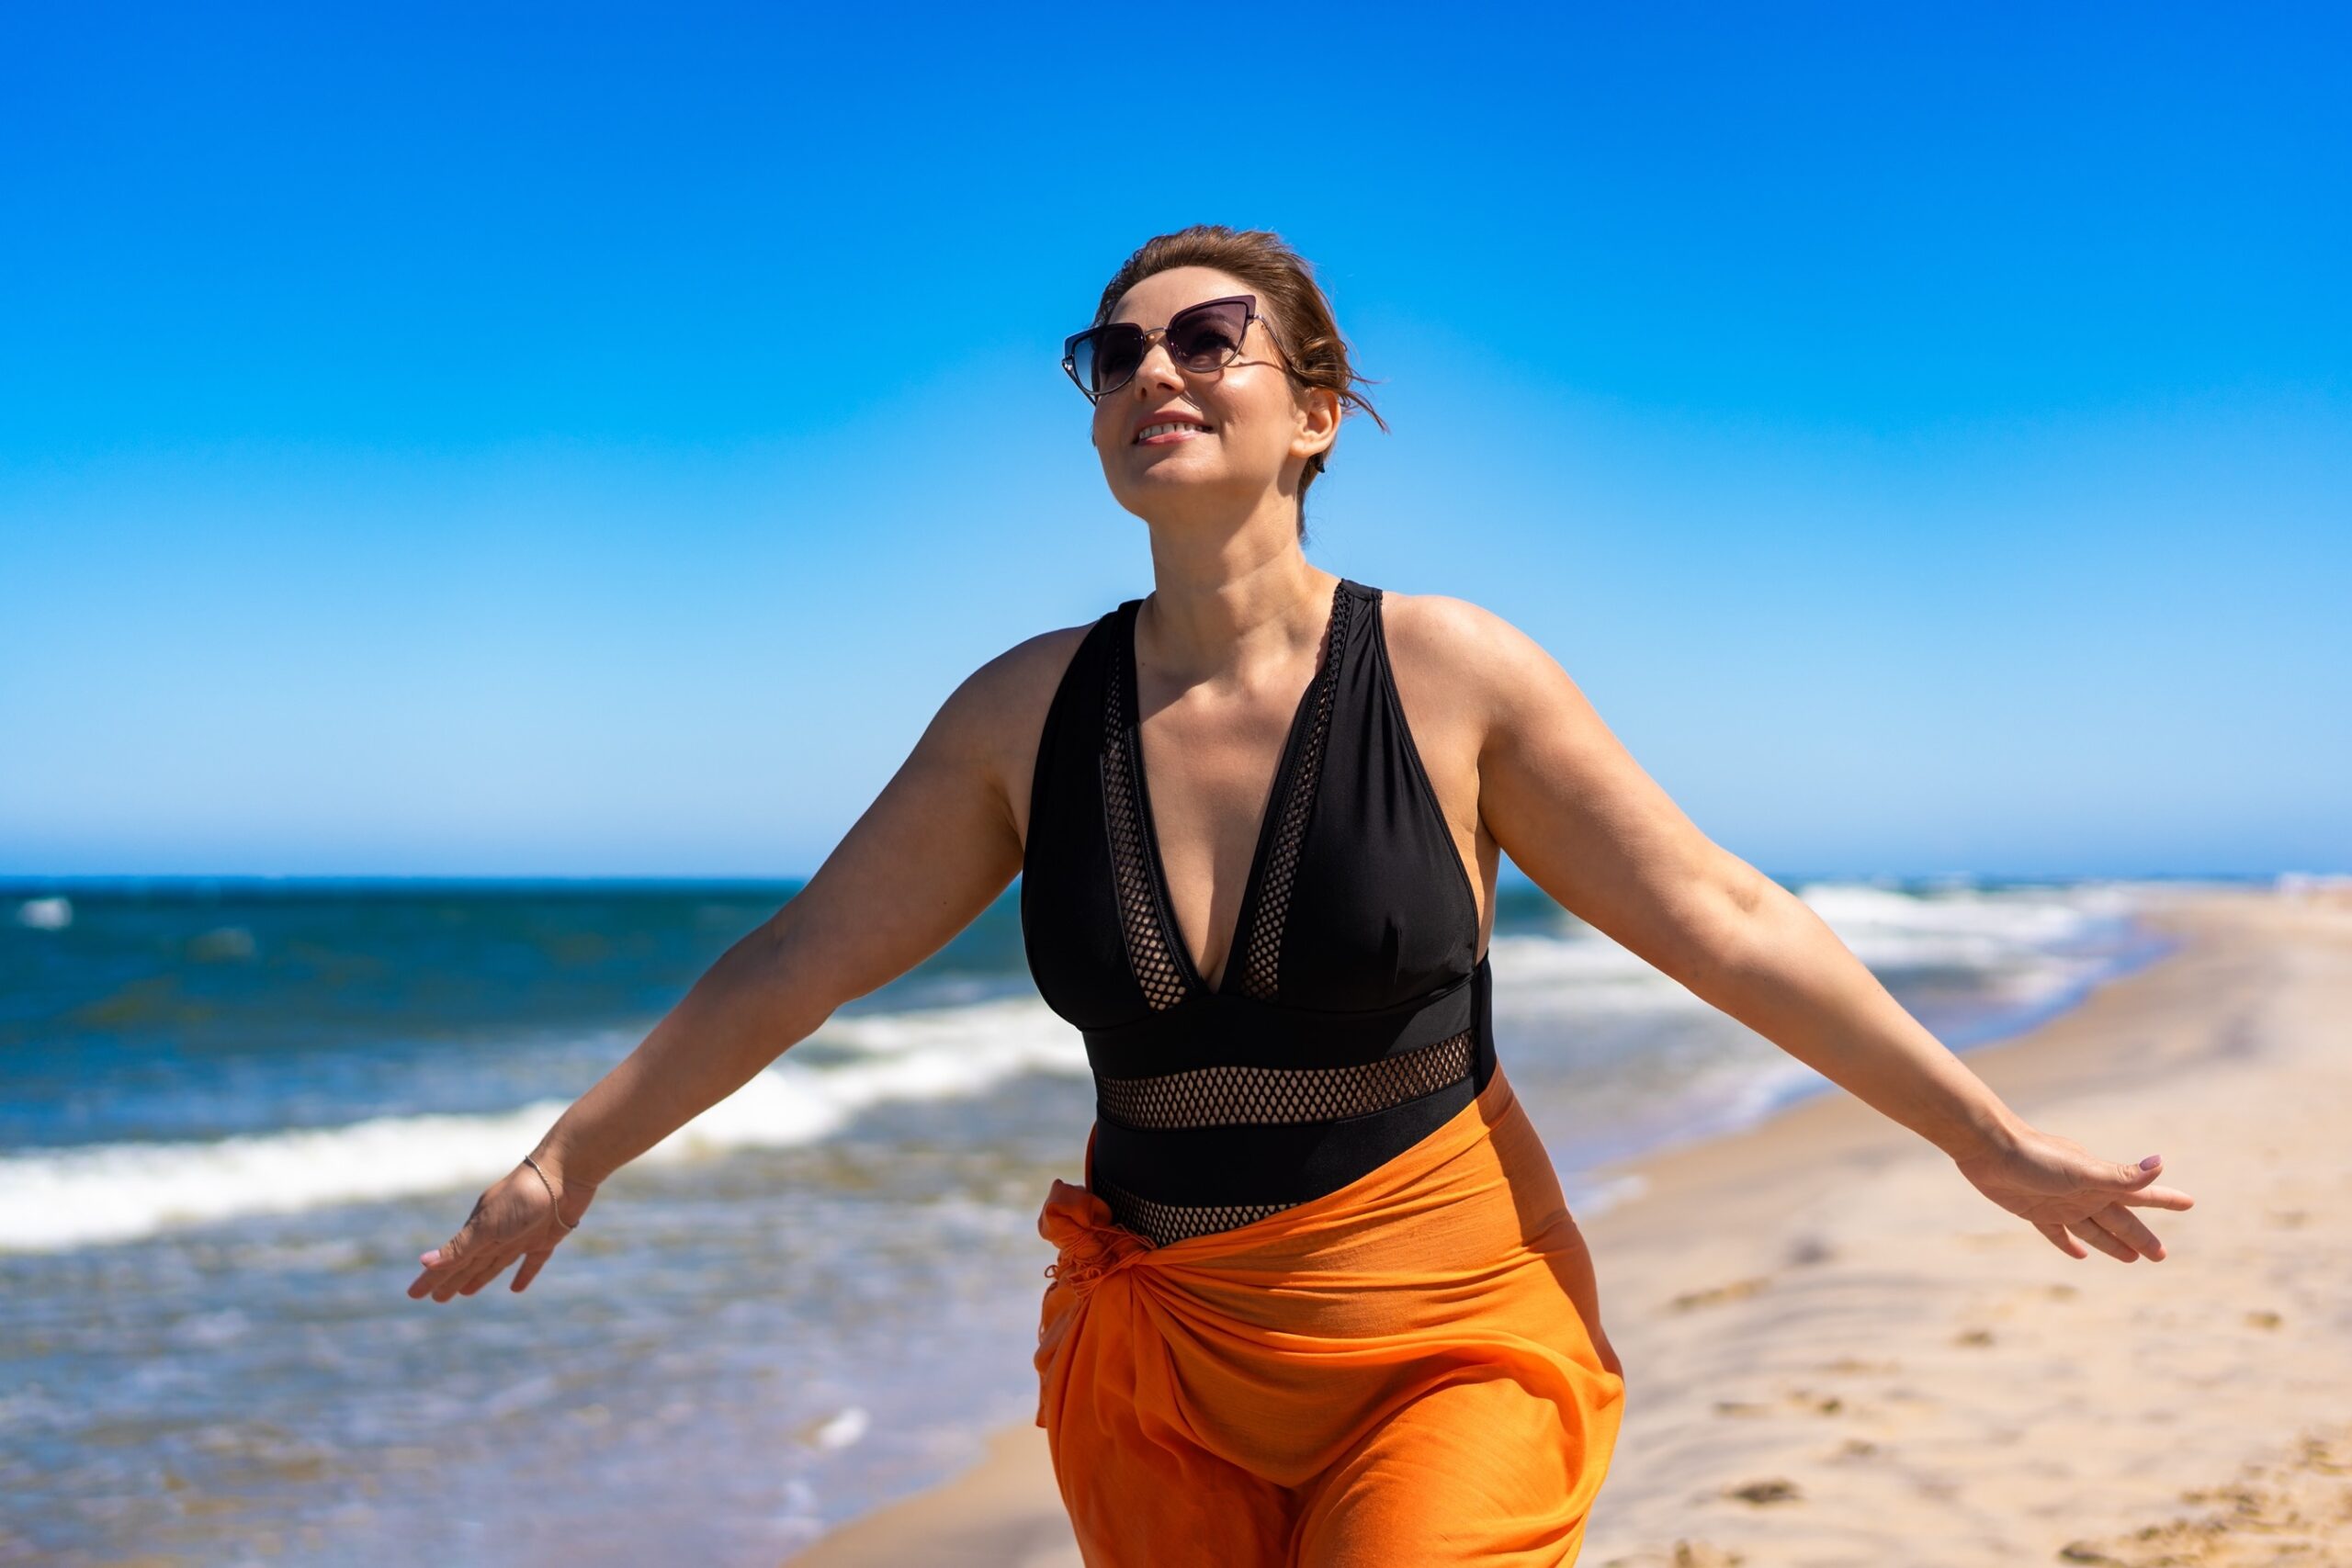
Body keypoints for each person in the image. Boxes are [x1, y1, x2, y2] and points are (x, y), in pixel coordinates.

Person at [405, 224, 2196, 1564]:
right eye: (1111, 354)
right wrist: (578, 1150)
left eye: (1206, 338)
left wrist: (1979, 1134)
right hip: (1164, 1355)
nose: (1151, 375)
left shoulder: (1450, 674)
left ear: (1314, 410)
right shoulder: (1023, 713)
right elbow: (804, 954)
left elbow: (1717, 914)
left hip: (1445, 1324)